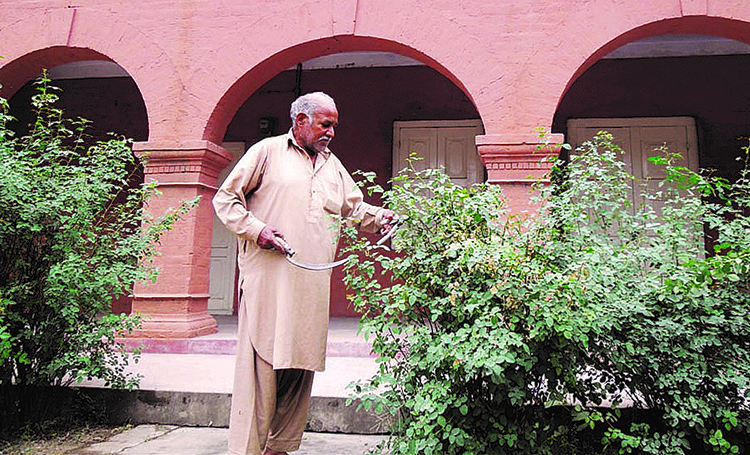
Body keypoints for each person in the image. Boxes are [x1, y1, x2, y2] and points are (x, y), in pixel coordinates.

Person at [212, 92, 395, 455]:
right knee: (261, 366)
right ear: (300, 121)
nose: (330, 132)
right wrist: (257, 229)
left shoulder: (331, 164)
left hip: (311, 283)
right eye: (325, 124)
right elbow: (225, 199)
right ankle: (247, 449)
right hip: (269, 280)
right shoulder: (267, 152)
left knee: (299, 366)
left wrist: (382, 218)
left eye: (334, 126)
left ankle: (279, 447)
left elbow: (354, 207)